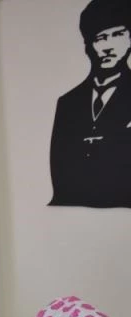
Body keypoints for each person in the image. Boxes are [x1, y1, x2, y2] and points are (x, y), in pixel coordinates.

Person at [49, 0, 131, 208]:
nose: (108, 46)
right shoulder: (67, 103)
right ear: (88, 46)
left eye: (118, 34)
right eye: (100, 38)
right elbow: (59, 169)